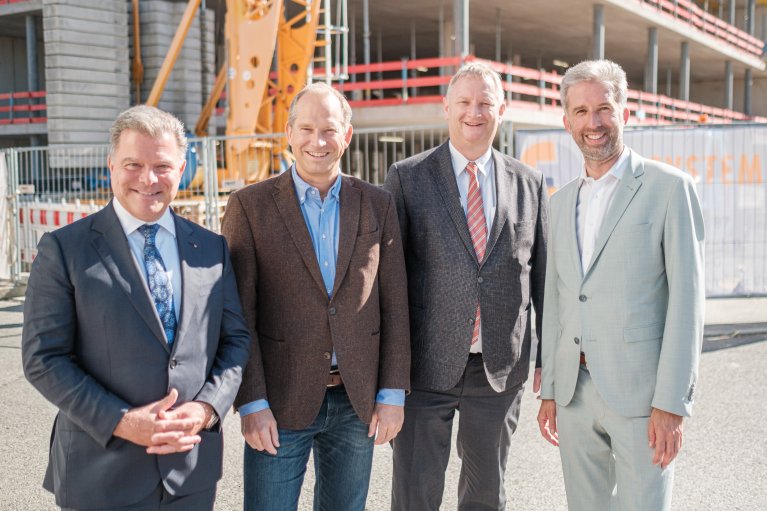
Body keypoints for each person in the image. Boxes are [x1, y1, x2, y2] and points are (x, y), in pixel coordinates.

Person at [21, 105, 251, 511]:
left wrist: (207, 409)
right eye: (133, 164)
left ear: (182, 169)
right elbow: (44, 358)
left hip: (190, 473)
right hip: (100, 475)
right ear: (111, 165)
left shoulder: (211, 248)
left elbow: (233, 342)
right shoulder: (64, 248)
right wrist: (123, 421)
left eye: (162, 166)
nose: (148, 179)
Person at [222, 82, 410, 511]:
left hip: (356, 400)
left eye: (328, 130)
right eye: (305, 129)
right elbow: (238, 316)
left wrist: (392, 394)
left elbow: (394, 305)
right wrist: (250, 401)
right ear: (288, 133)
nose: (317, 141)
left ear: (346, 135)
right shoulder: (249, 207)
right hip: (278, 405)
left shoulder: (376, 203)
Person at [536, 59, 705, 511]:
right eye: (581, 112)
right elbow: (557, 298)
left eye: (604, 109)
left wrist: (672, 403)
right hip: (574, 392)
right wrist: (550, 388)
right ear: (567, 120)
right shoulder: (561, 202)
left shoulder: (670, 188)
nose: (593, 123)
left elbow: (688, 305)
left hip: (643, 397)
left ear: (625, 113)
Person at [384, 62, 549, 510]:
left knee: (486, 495)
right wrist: (390, 375)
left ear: (502, 110)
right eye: (464, 102)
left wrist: (546, 361)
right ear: (446, 108)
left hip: (498, 369)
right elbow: (389, 283)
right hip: (424, 369)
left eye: (484, 103)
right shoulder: (407, 177)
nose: (473, 112)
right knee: (415, 495)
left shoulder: (529, 182)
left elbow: (543, 279)